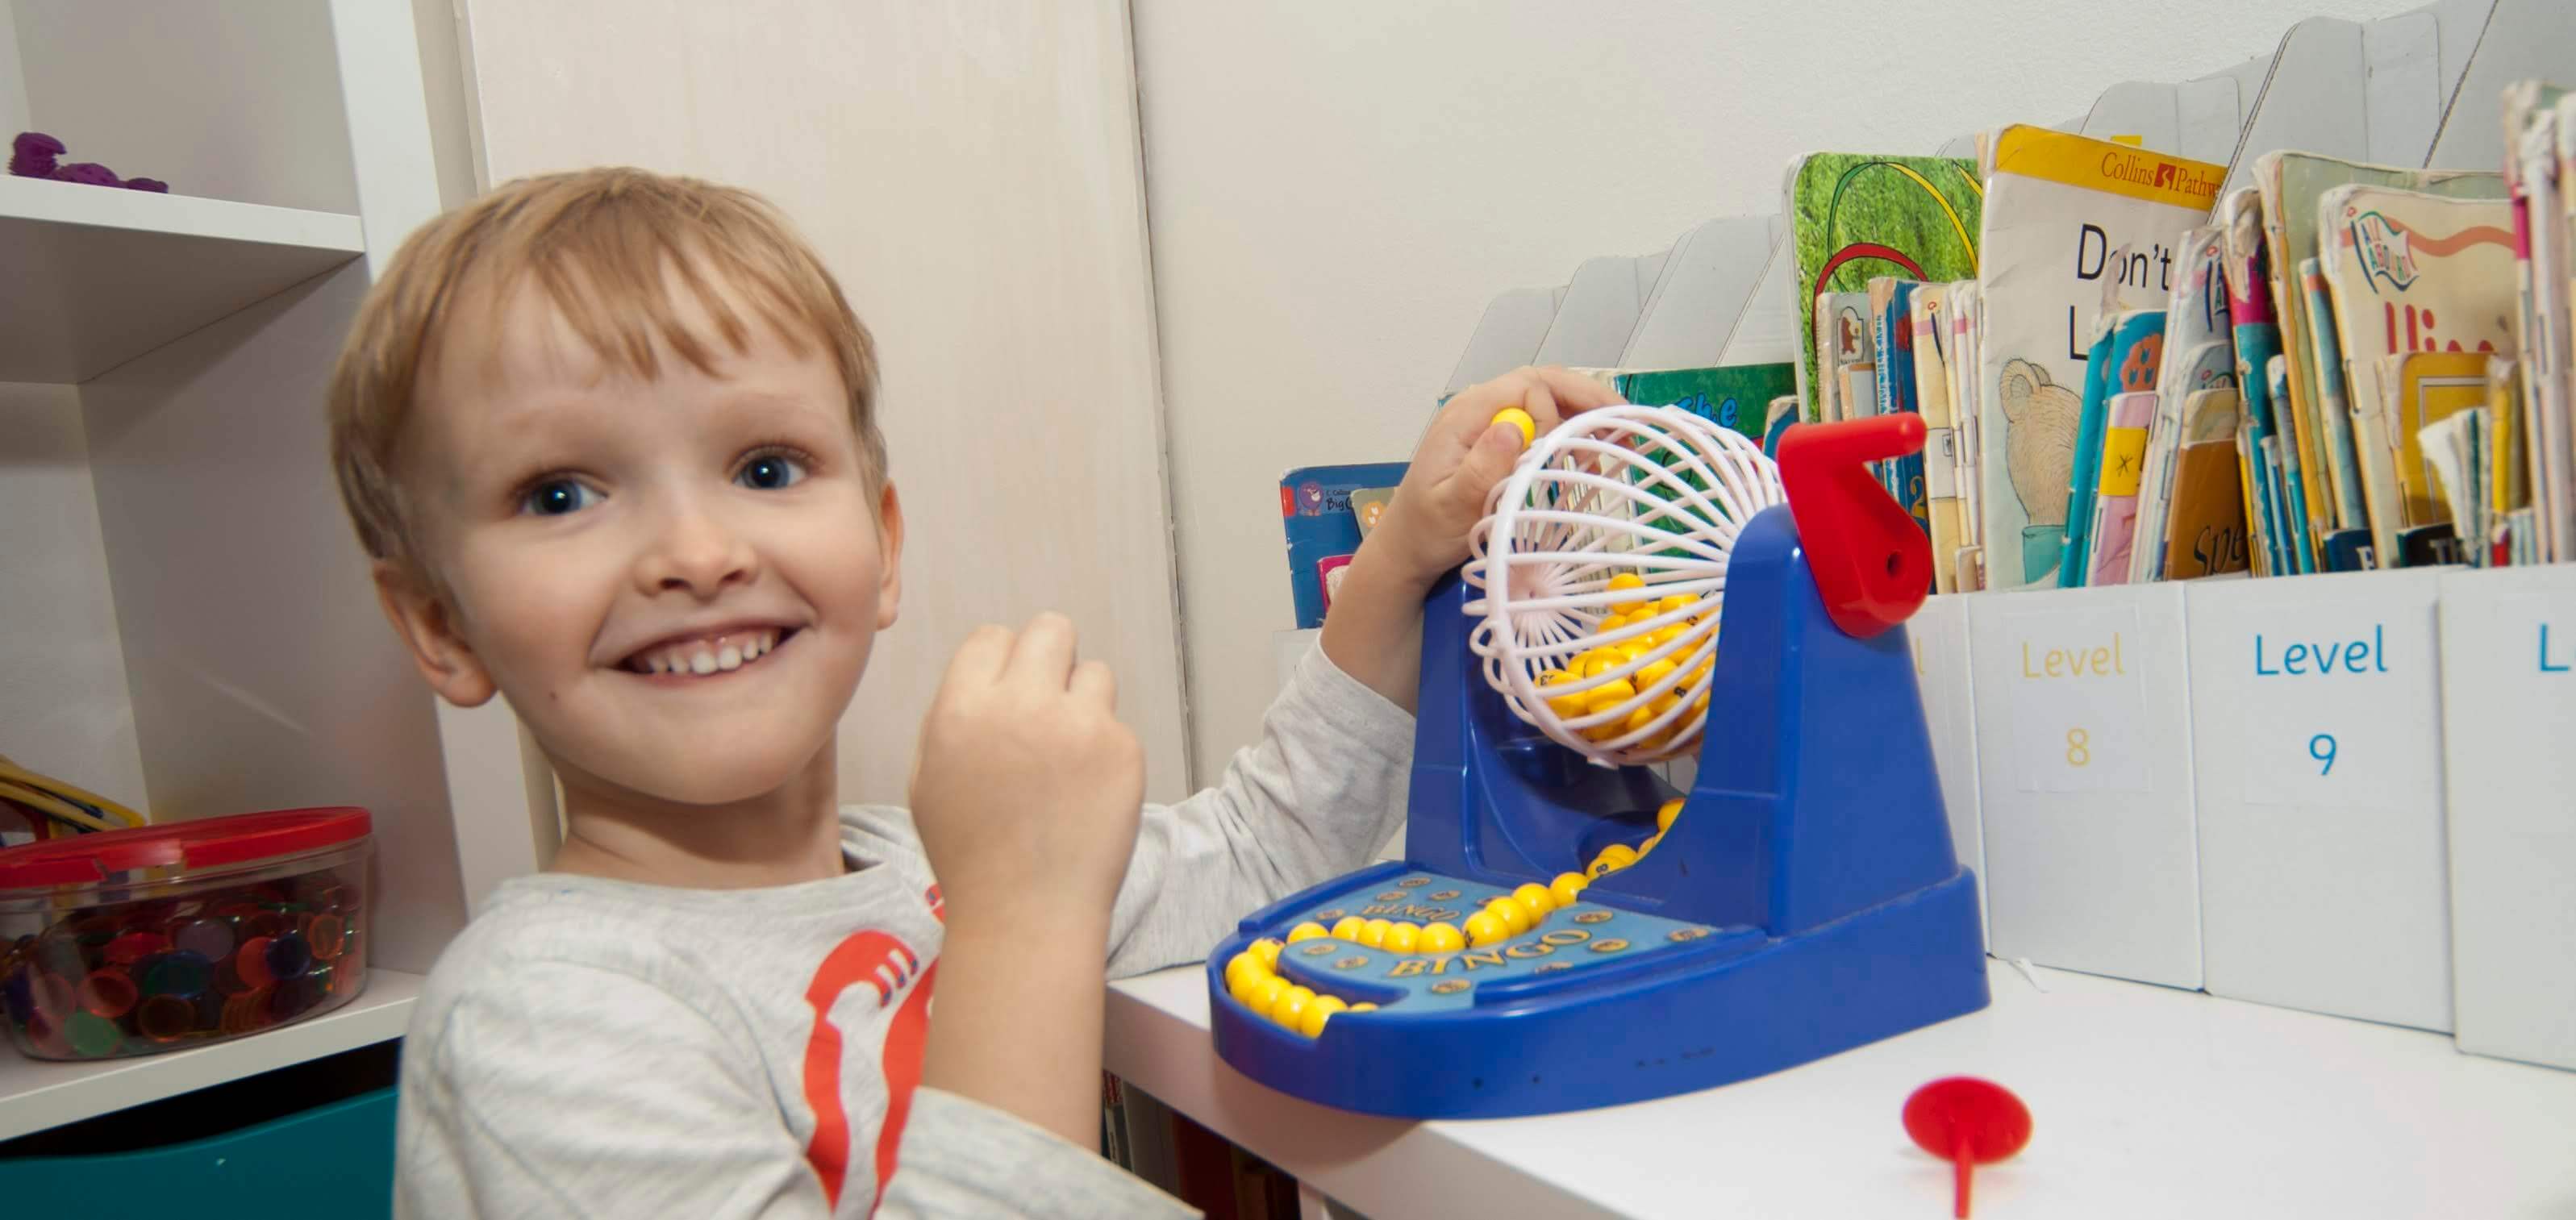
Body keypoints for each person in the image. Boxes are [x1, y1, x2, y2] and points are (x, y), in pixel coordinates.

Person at [326, 166, 1616, 1217]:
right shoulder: (538, 1020)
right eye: (560, 493)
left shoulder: (927, 866)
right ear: (439, 623)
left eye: (765, 468)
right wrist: (1022, 917)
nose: (697, 553)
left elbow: (1263, 849)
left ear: (882, 544)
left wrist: (1402, 558)